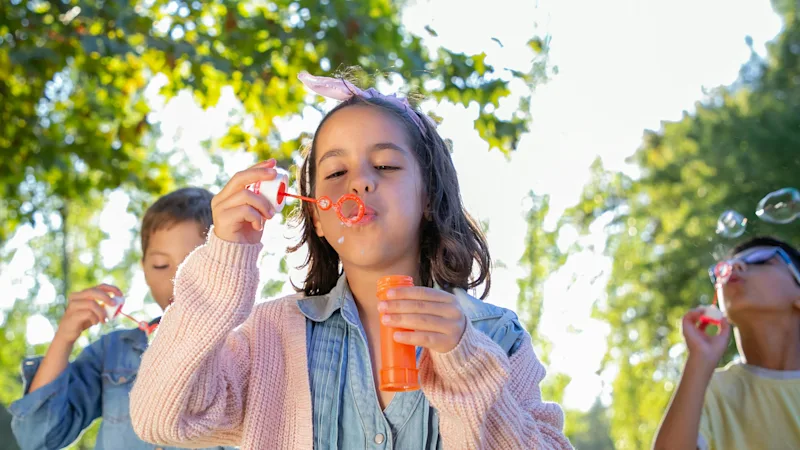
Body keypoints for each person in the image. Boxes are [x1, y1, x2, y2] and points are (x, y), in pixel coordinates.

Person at [129, 72, 572, 449]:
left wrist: (468, 368)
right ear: (319, 217)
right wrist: (226, 258)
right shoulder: (271, 340)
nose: (359, 181)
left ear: (428, 199)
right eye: (336, 173)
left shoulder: (493, 336)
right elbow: (161, 417)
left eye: (385, 165)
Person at [9, 187, 235, 450]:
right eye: (161, 265)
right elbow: (38, 438)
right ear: (145, 270)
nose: (177, 280)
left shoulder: (247, 349)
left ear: (224, 263)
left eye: (194, 264)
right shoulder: (113, 353)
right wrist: (65, 337)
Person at [653, 236, 800, 450]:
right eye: (725, 267)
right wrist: (699, 361)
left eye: (761, 260)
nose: (734, 267)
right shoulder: (708, 391)